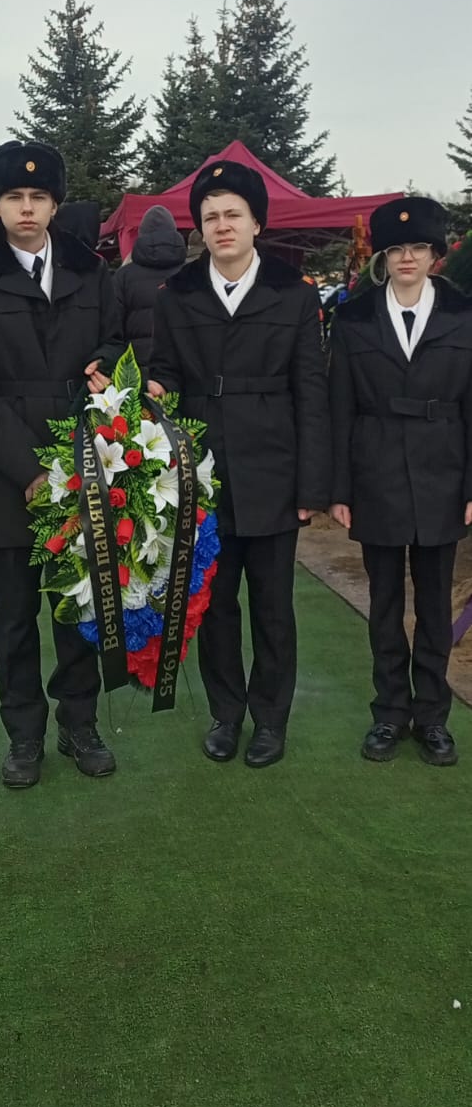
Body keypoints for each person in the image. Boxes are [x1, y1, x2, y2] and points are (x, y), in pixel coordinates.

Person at [0, 139, 124, 789]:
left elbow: (117, 339)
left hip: (83, 463)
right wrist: (30, 470)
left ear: (54, 205)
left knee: (77, 606)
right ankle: (24, 734)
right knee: (15, 615)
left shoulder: (90, 271)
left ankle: (80, 722)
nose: (26, 208)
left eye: (38, 197)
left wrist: (108, 365)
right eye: (13, 196)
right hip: (6, 471)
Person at [148, 159, 330, 768]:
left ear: (257, 223)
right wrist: (155, 391)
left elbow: (312, 393)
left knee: (274, 609)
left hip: (274, 471)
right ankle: (226, 714)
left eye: (233, 214)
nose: (222, 226)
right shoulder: (177, 294)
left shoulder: (293, 293)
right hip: (202, 473)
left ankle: (270, 719)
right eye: (210, 217)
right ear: (199, 228)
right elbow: (166, 370)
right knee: (215, 606)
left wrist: (311, 485)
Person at [329, 195, 472, 766]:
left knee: (434, 605)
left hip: (444, 472)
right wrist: (339, 488)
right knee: (384, 603)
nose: (407, 257)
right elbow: (340, 407)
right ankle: (389, 712)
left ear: (436, 255)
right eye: (396, 248)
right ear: (382, 257)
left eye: (418, 247)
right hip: (377, 471)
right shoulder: (354, 318)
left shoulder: (464, 316)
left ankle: (432, 716)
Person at [114, 205, 186, 383]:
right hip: (182, 373)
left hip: (134, 375)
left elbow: (112, 328)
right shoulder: (190, 273)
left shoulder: (123, 276)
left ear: (141, 234)